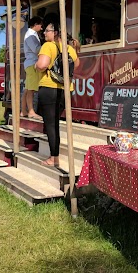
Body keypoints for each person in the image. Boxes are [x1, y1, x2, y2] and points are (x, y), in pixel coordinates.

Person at [35, 21, 80, 166]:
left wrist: (37, 65)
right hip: (65, 90)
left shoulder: (48, 46)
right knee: (55, 123)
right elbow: (77, 64)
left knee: (51, 125)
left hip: (49, 88)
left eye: (47, 30)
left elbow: (42, 65)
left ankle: (54, 158)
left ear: (55, 33)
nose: (44, 33)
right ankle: (54, 156)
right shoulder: (69, 48)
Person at [21, 16, 44, 120]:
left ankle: (23, 110)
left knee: (27, 89)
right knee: (31, 89)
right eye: (40, 25)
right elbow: (36, 49)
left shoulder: (31, 34)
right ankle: (31, 111)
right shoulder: (31, 35)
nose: (42, 28)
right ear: (35, 25)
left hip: (29, 63)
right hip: (32, 63)